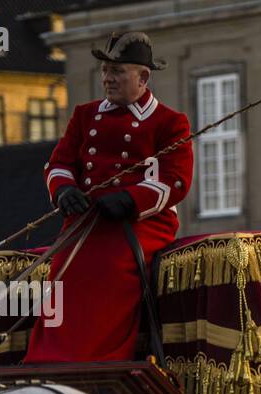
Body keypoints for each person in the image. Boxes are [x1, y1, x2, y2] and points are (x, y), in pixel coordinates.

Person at [26, 32, 193, 363]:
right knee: (61, 268)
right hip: (86, 218)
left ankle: (99, 359)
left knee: (111, 268)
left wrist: (131, 201)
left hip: (140, 223)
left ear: (143, 78)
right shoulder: (85, 115)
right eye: (105, 71)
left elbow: (176, 181)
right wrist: (64, 191)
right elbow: (58, 163)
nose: (107, 79)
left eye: (117, 72)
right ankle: (50, 357)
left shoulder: (170, 122)